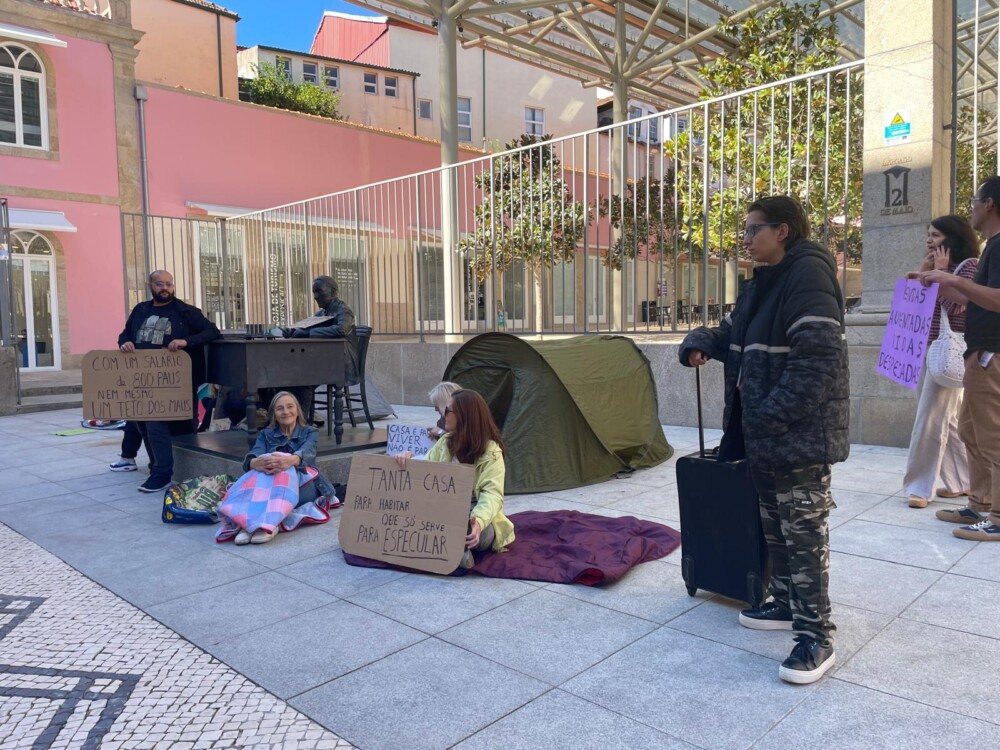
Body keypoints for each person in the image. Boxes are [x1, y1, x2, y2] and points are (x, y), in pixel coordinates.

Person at [679, 196, 849, 685]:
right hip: (764, 434)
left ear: (783, 231)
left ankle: (816, 635)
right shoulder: (763, 284)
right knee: (773, 521)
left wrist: (770, 416)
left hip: (797, 434)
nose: (746, 238)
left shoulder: (810, 276)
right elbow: (733, 332)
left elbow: (817, 362)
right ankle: (786, 603)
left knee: (803, 530)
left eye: (754, 229)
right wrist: (699, 342)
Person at [920, 176, 1000, 541]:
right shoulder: (991, 248)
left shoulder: (997, 248)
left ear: (990, 204)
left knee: (991, 435)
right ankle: (979, 501)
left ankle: (996, 515)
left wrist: (954, 281)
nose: (971, 208)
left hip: (991, 354)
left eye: (975, 201)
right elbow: (975, 300)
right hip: (978, 352)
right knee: (970, 430)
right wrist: (939, 279)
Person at [118, 270, 221, 493]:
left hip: (178, 382)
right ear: (150, 285)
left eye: (169, 284)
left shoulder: (186, 312)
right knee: (143, 422)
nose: (165, 288)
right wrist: (125, 343)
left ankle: (162, 473)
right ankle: (157, 465)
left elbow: (212, 332)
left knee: (160, 423)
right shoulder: (140, 310)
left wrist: (186, 341)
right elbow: (125, 334)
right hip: (144, 380)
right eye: (159, 284)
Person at [902, 216, 979, 508]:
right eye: (928, 234)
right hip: (926, 347)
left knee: (930, 419)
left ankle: (920, 487)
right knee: (947, 420)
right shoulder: (935, 267)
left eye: (935, 235)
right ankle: (962, 481)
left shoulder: (969, 266)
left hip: (948, 349)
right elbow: (912, 303)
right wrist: (924, 273)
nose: (929, 240)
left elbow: (958, 306)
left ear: (952, 238)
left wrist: (941, 274)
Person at [396, 389, 514, 571]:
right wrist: (408, 459)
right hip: (444, 510)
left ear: (464, 416)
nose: (443, 415)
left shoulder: (492, 452)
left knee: (482, 534)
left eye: (448, 411)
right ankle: (457, 554)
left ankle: (455, 549)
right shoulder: (445, 443)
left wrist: (478, 521)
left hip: (474, 513)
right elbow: (426, 467)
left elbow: (492, 495)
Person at [218, 391, 338, 545]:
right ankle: (249, 525)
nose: (286, 412)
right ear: (274, 414)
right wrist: (256, 463)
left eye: (290, 407)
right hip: (272, 485)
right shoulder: (266, 434)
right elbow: (254, 454)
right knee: (266, 463)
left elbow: (308, 452)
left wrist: (290, 460)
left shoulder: (310, 431)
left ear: (297, 410)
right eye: (280, 408)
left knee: (283, 461)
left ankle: (269, 525)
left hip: (303, 484)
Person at [277, 276, 359, 420]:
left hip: (342, 363)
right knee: (288, 378)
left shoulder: (344, 311)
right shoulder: (322, 313)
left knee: (305, 381)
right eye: (314, 292)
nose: (315, 296)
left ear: (333, 292)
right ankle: (288, 420)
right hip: (324, 360)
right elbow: (306, 326)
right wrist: (293, 332)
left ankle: (301, 423)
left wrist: (308, 333)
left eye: (319, 292)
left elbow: (341, 330)